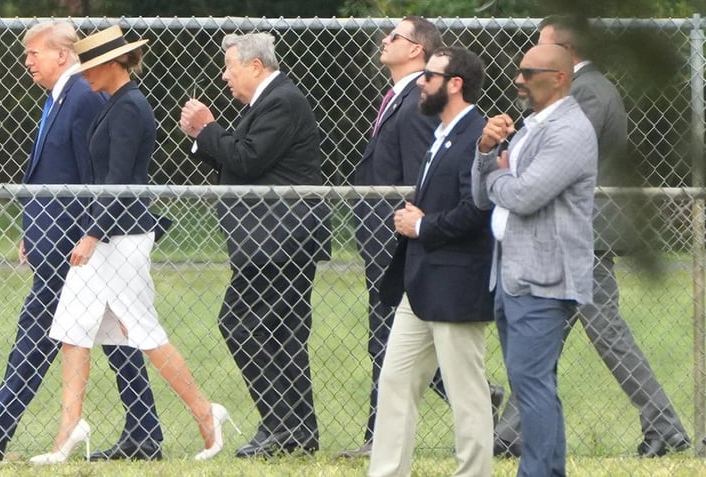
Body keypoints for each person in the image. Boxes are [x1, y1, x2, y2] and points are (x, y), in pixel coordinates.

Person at [0, 20, 165, 462]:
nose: (27, 63)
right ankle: (144, 431)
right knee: (113, 336)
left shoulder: (82, 98)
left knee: (41, 332)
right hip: (57, 238)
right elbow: (50, 174)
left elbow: (90, 175)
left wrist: (88, 236)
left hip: (73, 246)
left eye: (33, 53)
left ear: (63, 54)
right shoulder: (60, 98)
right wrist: (32, 230)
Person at [29, 25, 232, 464]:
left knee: (143, 333)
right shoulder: (115, 104)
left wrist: (91, 233)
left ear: (111, 63)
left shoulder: (130, 107)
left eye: (89, 64)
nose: (83, 72)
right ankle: (68, 432)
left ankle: (205, 412)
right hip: (107, 236)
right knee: (71, 331)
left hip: (121, 239)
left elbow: (120, 181)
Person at [492, 14, 691, 459]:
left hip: (584, 238)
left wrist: (509, 174)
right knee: (544, 342)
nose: (528, 72)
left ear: (567, 53)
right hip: (569, 239)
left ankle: (666, 427)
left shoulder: (589, 92)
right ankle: (509, 434)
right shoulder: (585, 88)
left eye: (541, 52)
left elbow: (559, 153)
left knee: (608, 334)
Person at [341, 16, 504, 459]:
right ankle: (387, 469)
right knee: (395, 379)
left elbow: (474, 211)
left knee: (466, 389)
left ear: (453, 84)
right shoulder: (442, 133)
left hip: (453, 279)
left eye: (430, 75)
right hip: (420, 275)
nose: (422, 83)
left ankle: (475, 467)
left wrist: (420, 226)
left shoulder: (476, 135)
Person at [179, 32, 331, 458]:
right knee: (282, 335)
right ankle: (293, 430)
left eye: (229, 67)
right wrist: (202, 135)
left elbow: (247, 159)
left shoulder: (281, 100)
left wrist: (208, 128)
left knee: (240, 324)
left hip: (282, 240)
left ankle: (283, 425)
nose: (224, 75)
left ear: (255, 66)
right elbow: (242, 159)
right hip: (273, 241)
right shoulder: (264, 104)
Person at [471, 44, 598, 476]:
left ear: (559, 77)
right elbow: (481, 195)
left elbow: (523, 197)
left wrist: (499, 174)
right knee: (533, 386)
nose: (519, 79)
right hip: (511, 276)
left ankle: (539, 472)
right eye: (518, 70)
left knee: (532, 384)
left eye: (528, 72)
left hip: (544, 280)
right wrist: (487, 151)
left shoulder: (571, 131)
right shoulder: (528, 129)